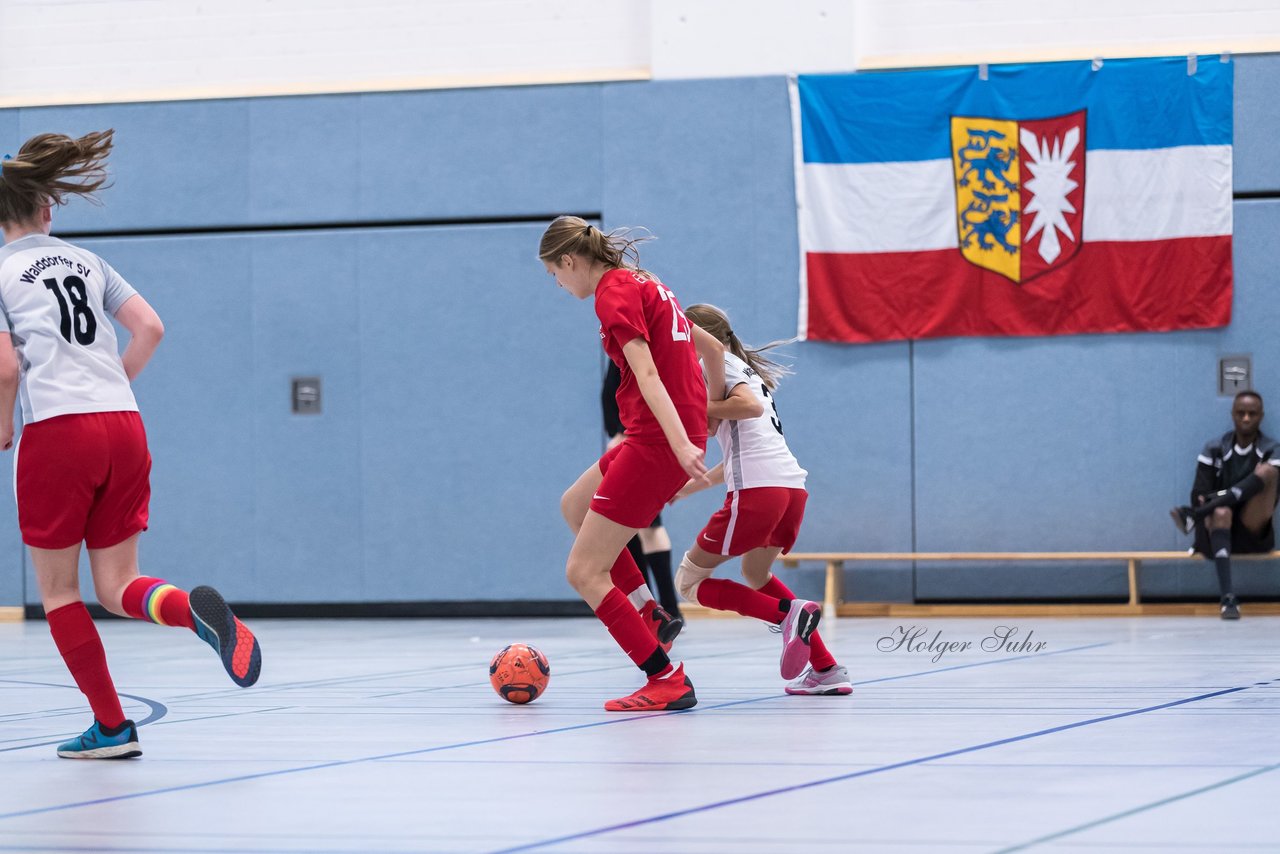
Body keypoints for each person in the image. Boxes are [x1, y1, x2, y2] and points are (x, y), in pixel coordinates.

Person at [0, 130, 262, 759]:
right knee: (120, 585)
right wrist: (114, 382)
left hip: (57, 432)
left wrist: (5, 425)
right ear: (48, 209)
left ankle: (112, 727)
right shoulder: (88, 262)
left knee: (60, 592)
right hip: (123, 422)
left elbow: (8, 370)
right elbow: (150, 327)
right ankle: (190, 613)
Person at [539, 215, 724, 711]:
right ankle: (651, 614)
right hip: (653, 434)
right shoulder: (646, 282)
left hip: (657, 441)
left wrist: (683, 441)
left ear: (570, 260)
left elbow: (644, 370)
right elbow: (714, 346)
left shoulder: (612, 293)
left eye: (554, 274)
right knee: (574, 506)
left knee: (583, 572)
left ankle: (666, 679)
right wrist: (708, 402)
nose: (557, 284)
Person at [670, 304, 851, 695]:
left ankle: (787, 615)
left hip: (758, 491)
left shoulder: (716, 366)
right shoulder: (741, 367)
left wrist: (690, 406)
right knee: (755, 574)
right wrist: (690, 487)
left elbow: (747, 408)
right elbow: (740, 448)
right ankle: (825, 669)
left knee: (688, 581)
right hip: (789, 489)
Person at [1170, 389, 1280, 620]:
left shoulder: (1271, 448)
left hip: (1253, 529)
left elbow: (1271, 493)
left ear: (1261, 416)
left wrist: (1213, 501)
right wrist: (1217, 499)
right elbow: (1200, 492)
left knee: (1268, 471)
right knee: (1220, 510)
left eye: (1252, 413)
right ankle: (1228, 598)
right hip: (1219, 530)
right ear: (1232, 414)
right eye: (1241, 413)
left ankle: (1196, 515)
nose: (1246, 418)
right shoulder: (1214, 447)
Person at [602, 360, 683, 627]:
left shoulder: (642, 347)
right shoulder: (621, 350)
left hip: (641, 444)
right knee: (629, 528)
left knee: (649, 527)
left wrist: (623, 433)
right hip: (630, 440)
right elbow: (610, 392)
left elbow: (646, 389)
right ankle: (653, 611)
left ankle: (669, 608)